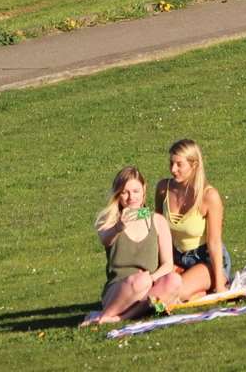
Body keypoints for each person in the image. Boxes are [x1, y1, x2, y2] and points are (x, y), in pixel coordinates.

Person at [82, 166, 174, 326]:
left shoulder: (157, 220)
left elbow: (168, 264)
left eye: (136, 191)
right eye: (125, 192)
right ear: (118, 194)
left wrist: (151, 279)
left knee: (174, 280)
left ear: (144, 190)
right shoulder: (110, 219)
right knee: (140, 281)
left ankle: (116, 318)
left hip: (148, 284)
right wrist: (119, 227)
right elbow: (105, 240)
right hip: (120, 287)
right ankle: (111, 312)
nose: (131, 197)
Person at [149, 139, 228, 306]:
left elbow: (214, 242)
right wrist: (133, 213)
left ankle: (200, 289)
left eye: (179, 164)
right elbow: (155, 221)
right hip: (174, 257)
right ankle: (196, 292)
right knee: (151, 290)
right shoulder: (164, 188)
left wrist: (220, 286)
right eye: (171, 163)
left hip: (204, 258)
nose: (173, 169)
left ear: (194, 165)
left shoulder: (209, 196)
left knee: (172, 293)